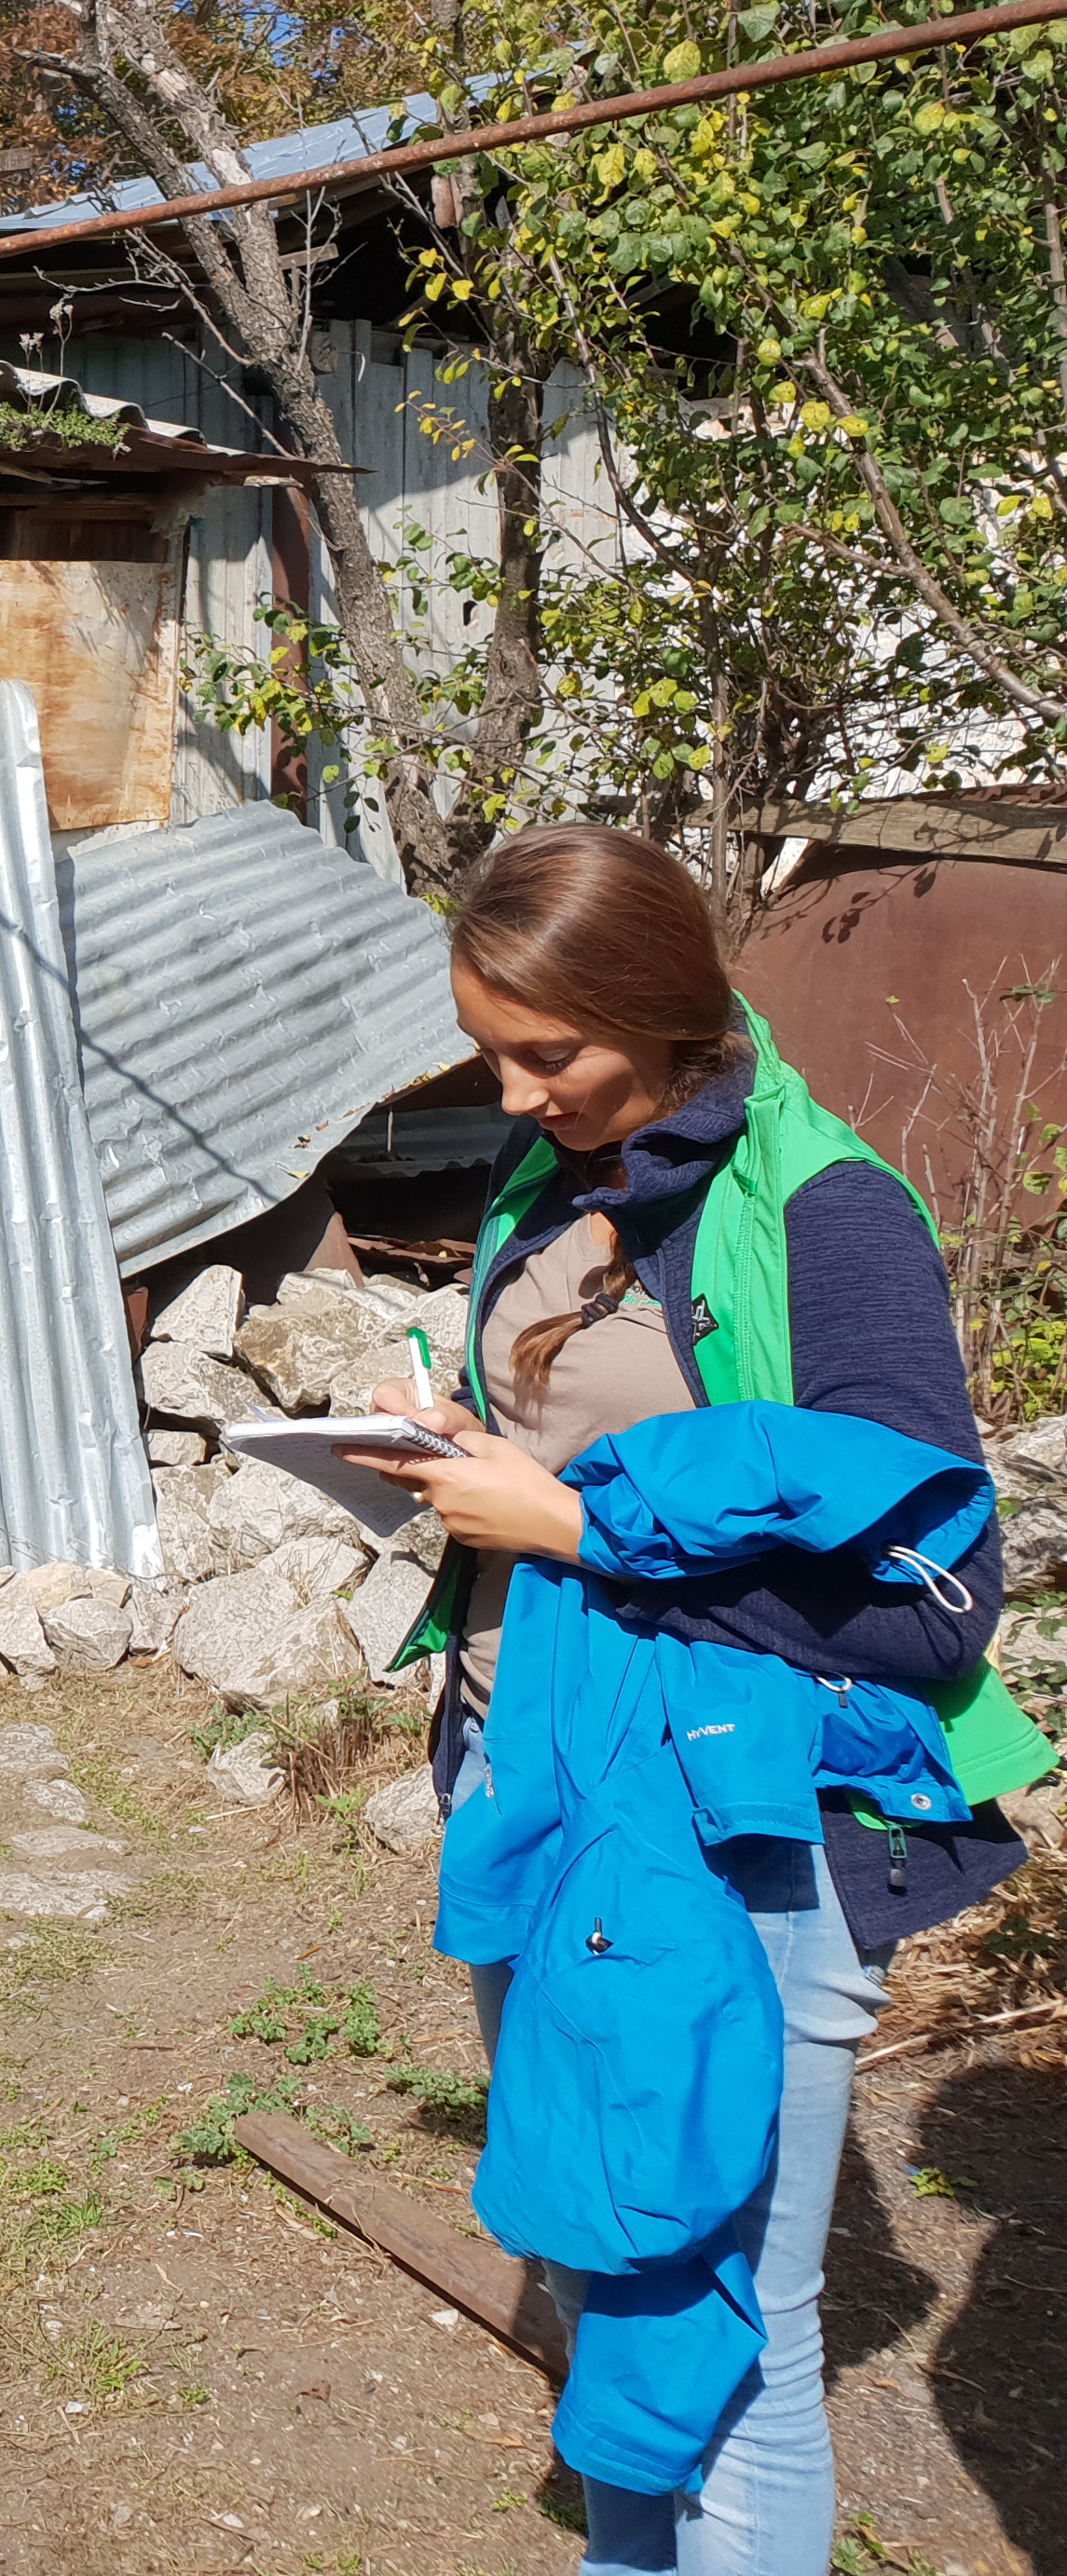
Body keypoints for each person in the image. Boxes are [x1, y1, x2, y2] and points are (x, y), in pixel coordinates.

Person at [343, 824, 1038, 2576]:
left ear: (661, 1011)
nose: (512, 1097)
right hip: (557, 1793)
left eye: (548, 1055)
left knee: (729, 2322)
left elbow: (935, 1609)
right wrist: (458, 1459)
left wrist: (575, 1525)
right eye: (485, 1053)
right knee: (608, 2264)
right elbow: (593, 1450)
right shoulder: (566, 1180)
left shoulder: (827, 1216)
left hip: (754, 1843)